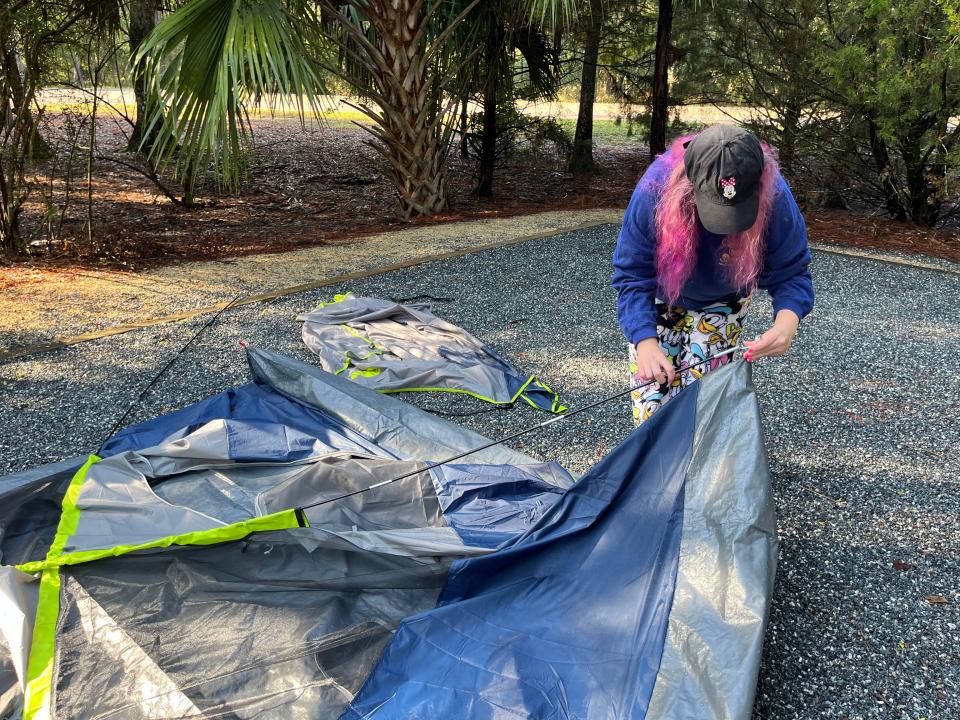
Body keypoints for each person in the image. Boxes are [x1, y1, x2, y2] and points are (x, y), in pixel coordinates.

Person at [612, 124, 814, 424]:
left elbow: (792, 271)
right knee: (652, 401)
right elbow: (632, 273)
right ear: (688, 185)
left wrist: (787, 323)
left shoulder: (775, 193)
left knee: (707, 401)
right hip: (661, 296)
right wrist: (644, 340)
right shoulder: (654, 188)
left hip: (724, 299)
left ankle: (708, 467)